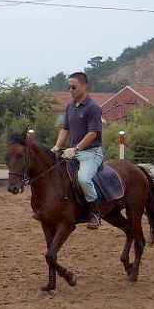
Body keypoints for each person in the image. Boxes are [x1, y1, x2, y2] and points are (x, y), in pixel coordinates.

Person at [51, 72, 104, 229]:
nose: (71, 90)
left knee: (84, 179)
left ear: (83, 86)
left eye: (73, 87)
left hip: (91, 153)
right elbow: (65, 129)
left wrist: (76, 148)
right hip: (73, 151)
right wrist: (57, 147)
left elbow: (93, 133)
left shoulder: (93, 107)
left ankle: (95, 212)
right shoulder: (70, 107)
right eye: (69, 87)